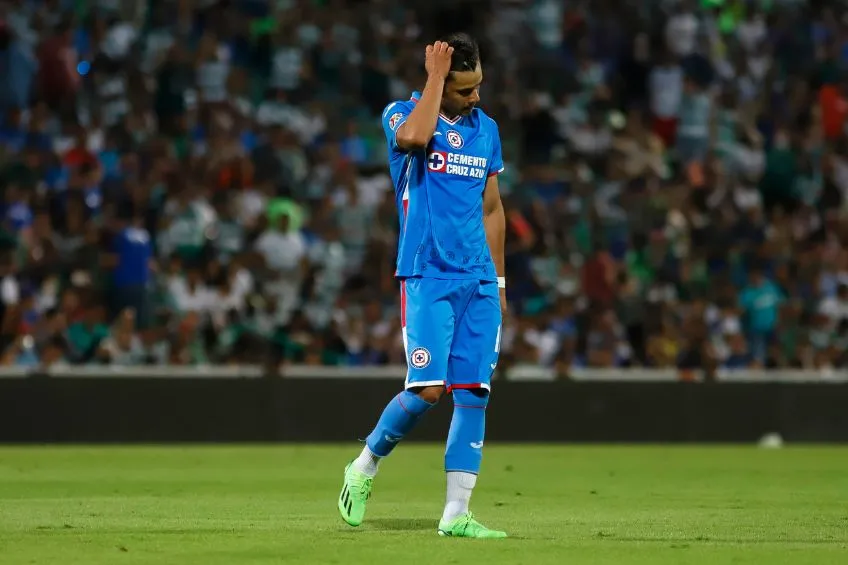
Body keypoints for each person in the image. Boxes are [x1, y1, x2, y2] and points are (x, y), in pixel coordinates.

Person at [336, 33, 508, 539]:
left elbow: (492, 208)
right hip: (428, 271)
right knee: (429, 390)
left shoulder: (487, 131)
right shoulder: (401, 115)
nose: (475, 97)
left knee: (473, 392)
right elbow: (412, 139)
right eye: (463, 89)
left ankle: (456, 514)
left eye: (478, 87)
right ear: (438, 81)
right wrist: (435, 79)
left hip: (476, 276)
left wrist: (497, 279)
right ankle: (364, 465)